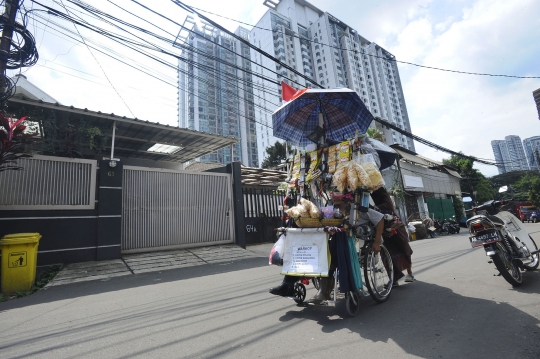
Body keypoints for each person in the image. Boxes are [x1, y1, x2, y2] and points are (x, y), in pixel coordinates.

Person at [269, 207, 384, 300]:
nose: (336, 197)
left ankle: (324, 291)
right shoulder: (331, 210)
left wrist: (377, 242)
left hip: (350, 243)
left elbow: (380, 219)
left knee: (329, 257)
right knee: (303, 252)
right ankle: (287, 284)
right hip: (330, 240)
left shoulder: (361, 209)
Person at [370, 187, 414, 284]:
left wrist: (374, 208)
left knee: (404, 247)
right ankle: (393, 279)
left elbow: (389, 206)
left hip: (394, 223)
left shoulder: (381, 191)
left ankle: (409, 273)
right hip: (379, 225)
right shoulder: (366, 194)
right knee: (386, 253)